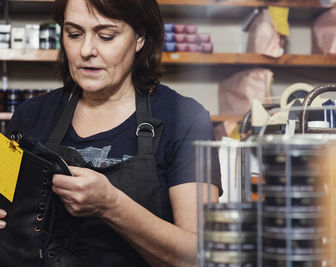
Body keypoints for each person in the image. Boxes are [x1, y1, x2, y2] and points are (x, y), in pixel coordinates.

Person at [0, 0, 222, 266]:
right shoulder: (29, 115)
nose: (86, 50)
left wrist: (111, 205)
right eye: (74, 34)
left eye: (106, 36)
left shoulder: (184, 119)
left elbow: (199, 256)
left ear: (140, 37)